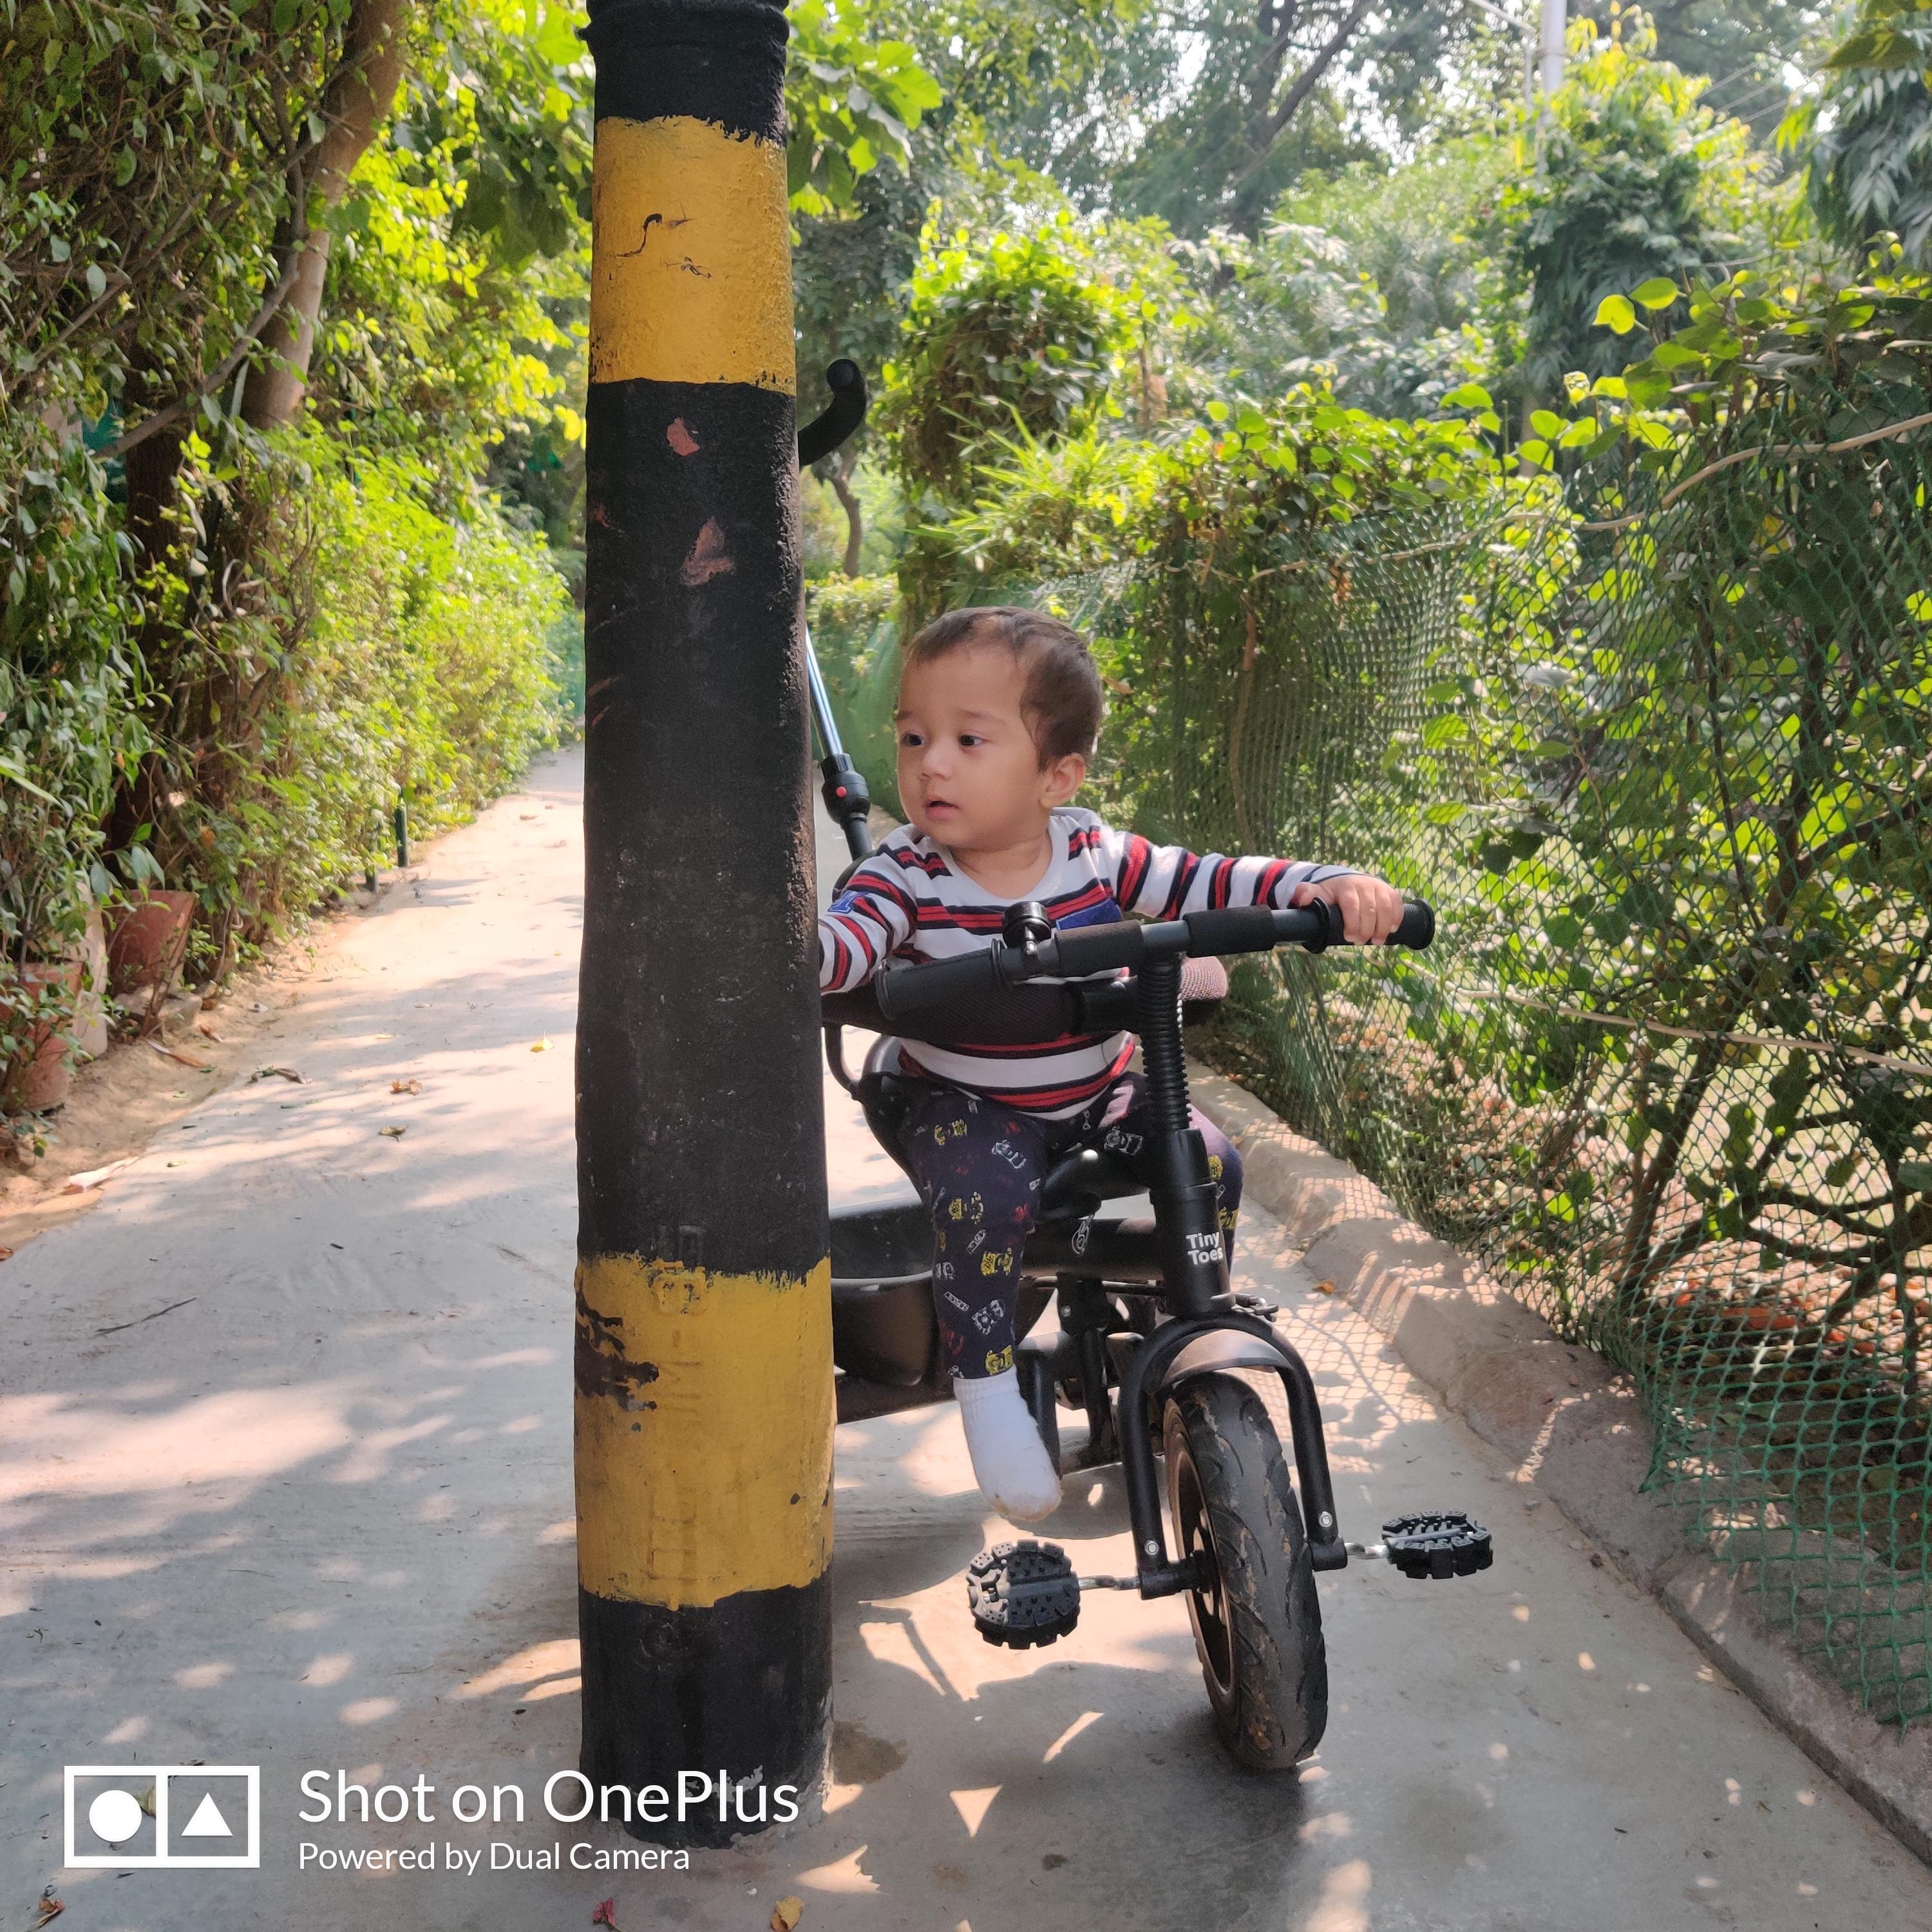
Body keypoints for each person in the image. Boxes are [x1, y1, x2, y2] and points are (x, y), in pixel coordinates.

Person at [817, 606, 1405, 1525]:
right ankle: (987, 1388)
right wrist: (800, 957)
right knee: (984, 1196)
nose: (931, 764)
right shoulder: (905, 874)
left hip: (1093, 1089)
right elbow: (850, 942)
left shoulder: (1092, 851)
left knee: (1206, 1158)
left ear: (1057, 776)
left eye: (969, 740)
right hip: (959, 1097)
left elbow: (1205, 879)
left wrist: (1319, 886)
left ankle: (1184, 1321)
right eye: (913, 737)